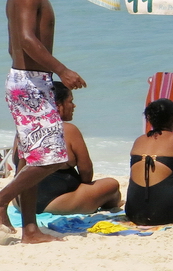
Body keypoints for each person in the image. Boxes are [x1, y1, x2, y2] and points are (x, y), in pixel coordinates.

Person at [0, 0, 86, 244]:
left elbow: (14, 43)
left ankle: (30, 230)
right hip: (30, 84)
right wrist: (61, 70)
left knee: (31, 158)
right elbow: (26, 40)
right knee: (53, 157)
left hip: (28, 80)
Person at [32, 82, 122, 214]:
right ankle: (113, 204)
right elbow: (86, 173)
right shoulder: (68, 130)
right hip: (55, 204)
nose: (74, 106)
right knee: (111, 185)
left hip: (22, 202)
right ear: (58, 105)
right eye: (70, 101)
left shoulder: (26, 127)